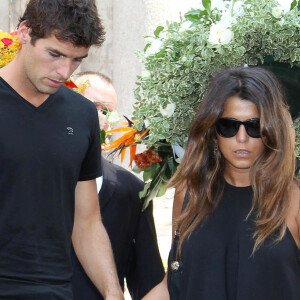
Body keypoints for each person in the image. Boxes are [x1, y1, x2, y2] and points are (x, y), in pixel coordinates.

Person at [0, 1, 124, 299]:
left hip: (54, 287)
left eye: (76, 60)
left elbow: (87, 221)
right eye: (54, 54)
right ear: (24, 32)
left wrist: (113, 292)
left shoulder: (82, 114)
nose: (64, 71)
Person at [143, 67, 300, 300]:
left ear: (271, 130)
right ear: (213, 130)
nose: (242, 138)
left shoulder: (293, 199)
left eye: (254, 126)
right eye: (229, 125)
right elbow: (174, 283)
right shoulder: (190, 192)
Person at [71, 72, 165, 300]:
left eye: (107, 111)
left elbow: (147, 278)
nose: (99, 117)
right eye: (92, 106)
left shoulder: (132, 190)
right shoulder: (31, 174)